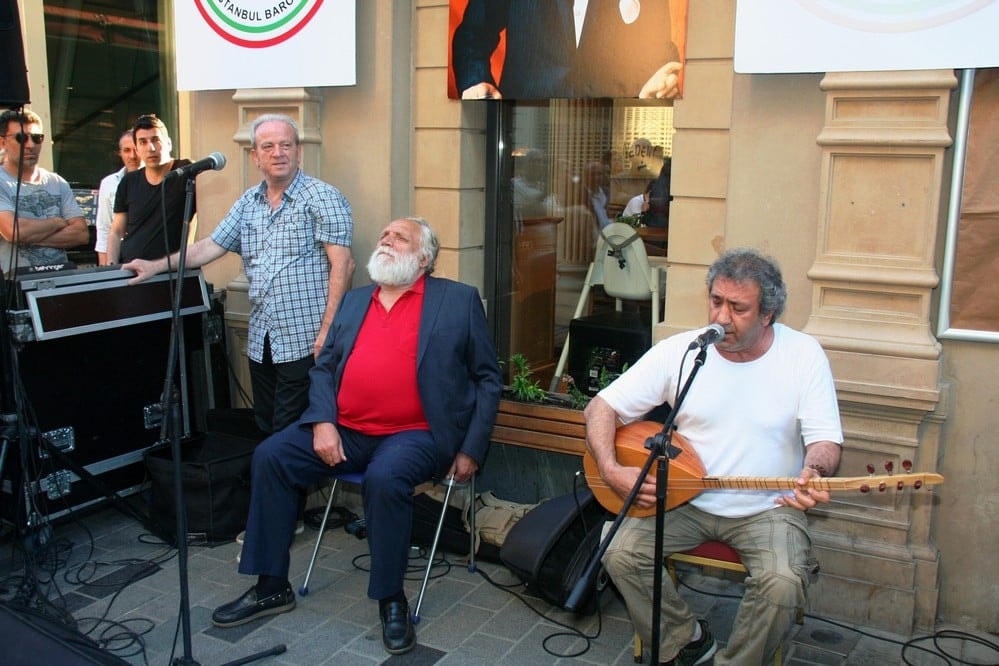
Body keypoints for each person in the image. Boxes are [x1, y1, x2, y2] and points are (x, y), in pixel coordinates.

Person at [206, 217, 502, 655]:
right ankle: (271, 585)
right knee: (272, 455)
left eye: (399, 237)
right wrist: (323, 422)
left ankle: (391, 599)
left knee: (385, 478)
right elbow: (324, 367)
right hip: (346, 430)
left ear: (424, 258)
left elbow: (487, 378)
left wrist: (472, 448)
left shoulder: (457, 301)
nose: (386, 239)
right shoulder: (356, 301)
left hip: (417, 435)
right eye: (384, 234)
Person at [583, 248, 843, 665]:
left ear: (767, 315)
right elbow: (602, 407)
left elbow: (826, 440)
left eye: (738, 308)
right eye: (716, 301)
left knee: (782, 584)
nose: (722, 317)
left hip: (769, 507)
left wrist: (814, 470)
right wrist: (612, 469)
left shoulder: (803, 355)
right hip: (685, 499)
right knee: (618, 551)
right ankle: (687, 642)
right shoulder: (685, 351)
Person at [123, 113, 354, 435]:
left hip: (306, 340)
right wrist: (154, 266)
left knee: (290, 434)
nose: (278, 153)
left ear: (299, 151)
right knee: (267, 428)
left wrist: (327, 332)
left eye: (287, 145)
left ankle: (285, 484)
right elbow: (208, 247)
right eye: (268, 146)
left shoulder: (323, 197)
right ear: (255, 156)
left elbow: (343, 265)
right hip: (262, 340)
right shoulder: (248, 202)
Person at [453, 0, 682, 99]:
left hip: (607, 125)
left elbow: (660, 51)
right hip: (523, 123)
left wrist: (657, 89)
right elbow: (473, 33)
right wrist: (476, 83)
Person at [0, 108, 89, 274]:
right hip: (15, 287)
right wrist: (57, 222)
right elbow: (14, 231)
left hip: (59, 281)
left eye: (37, 138)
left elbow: (81, 234)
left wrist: (29, 237)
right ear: (2, 142)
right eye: (21, 138)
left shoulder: (57, 182)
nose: (31, 145)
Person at [107, 114, 194, 265]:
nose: (151, 148)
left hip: (171, 272)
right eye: (143, 142)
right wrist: (112, 270)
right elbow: (116, 231)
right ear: (137, 148)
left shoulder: (187, 172)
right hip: (131, 271)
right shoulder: (129, 181)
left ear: (168, 143)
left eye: (156, 140)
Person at [95, 130, 142, 265]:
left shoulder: (158, 181)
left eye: (136, 150)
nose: (132, 156)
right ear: (120, 152)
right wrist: (105, 270)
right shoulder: (109, 183)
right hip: (117, 256)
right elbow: (104, 228)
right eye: (126, 150)